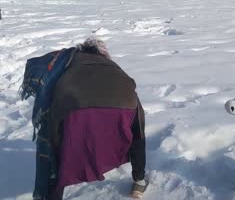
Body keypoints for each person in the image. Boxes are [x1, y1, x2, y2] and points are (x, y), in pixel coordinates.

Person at [21, 38, 148, 199]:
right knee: (137, 132)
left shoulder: (67, 62)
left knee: (55, 146)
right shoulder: (113, 67)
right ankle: (139, 181)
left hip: (75, 110)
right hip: (124, 106)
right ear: (104, 54)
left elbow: (40, 69)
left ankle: (53, 191)